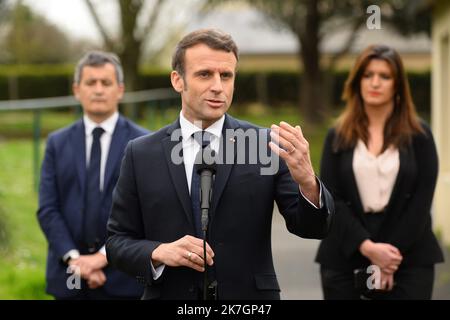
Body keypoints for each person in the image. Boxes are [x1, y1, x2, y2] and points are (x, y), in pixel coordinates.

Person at [105, 28, 334, 300]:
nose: (218, 86)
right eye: (205, 74)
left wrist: (308, 182)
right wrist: (158, 252)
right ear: (178, 80)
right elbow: (117, 242)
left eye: (226, 76)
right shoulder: (141, 153)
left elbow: (312, 228)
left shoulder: (265, 145)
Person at [315, 44, 444, 300]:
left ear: (397, 85)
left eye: (384, 76)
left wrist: (388, 257)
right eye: (367, 75)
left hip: (408, 256)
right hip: (346, 253)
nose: (375, 82)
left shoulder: (420, 136)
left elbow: (421, 200)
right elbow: (331, 199)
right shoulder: (336, 137)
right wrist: (368, 248)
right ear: (357, 81)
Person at [37, 51, 149, 300]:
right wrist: (77, 261)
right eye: (91, 83)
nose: (98, 90)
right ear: (77, 90)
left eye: (106, 83)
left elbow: (146, 211)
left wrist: (101, 258)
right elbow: (48, 209)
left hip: (123, 277)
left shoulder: (145, 143)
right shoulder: (57, 143)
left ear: (120, 90)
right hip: (70, 273)